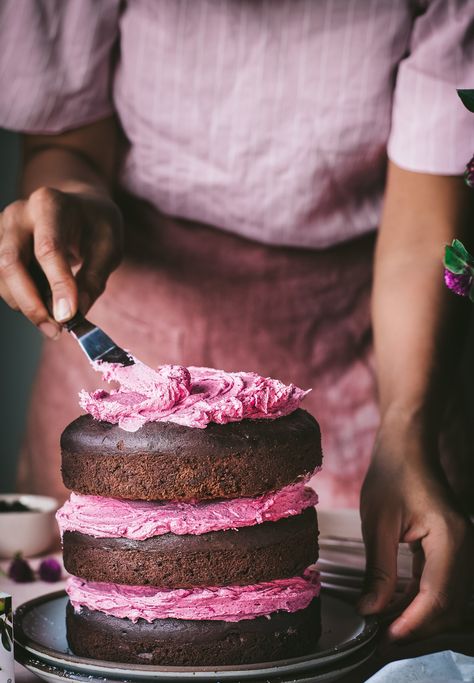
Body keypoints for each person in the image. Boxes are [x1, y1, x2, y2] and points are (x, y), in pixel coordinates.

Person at [0, 0, 473, 642]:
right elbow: (67, 142)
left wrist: (407, 425)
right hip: (134, 313)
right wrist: (76, 198)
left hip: (369, 343)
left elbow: (427, 222)